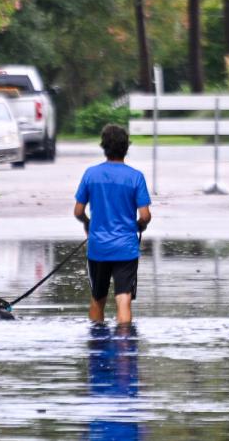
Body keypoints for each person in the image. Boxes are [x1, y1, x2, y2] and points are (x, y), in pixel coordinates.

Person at [74, 124, 151, 324]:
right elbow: (145, 215)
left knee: (98, 298)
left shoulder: (91, 174)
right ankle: (124, 346)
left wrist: (87, 223)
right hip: (126, 247)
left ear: (104, 147)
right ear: (126, 147)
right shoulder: (136, 177)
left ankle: (96, 343)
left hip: (98, 246)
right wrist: (139, 226)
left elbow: (78, 211)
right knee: (123, 298)